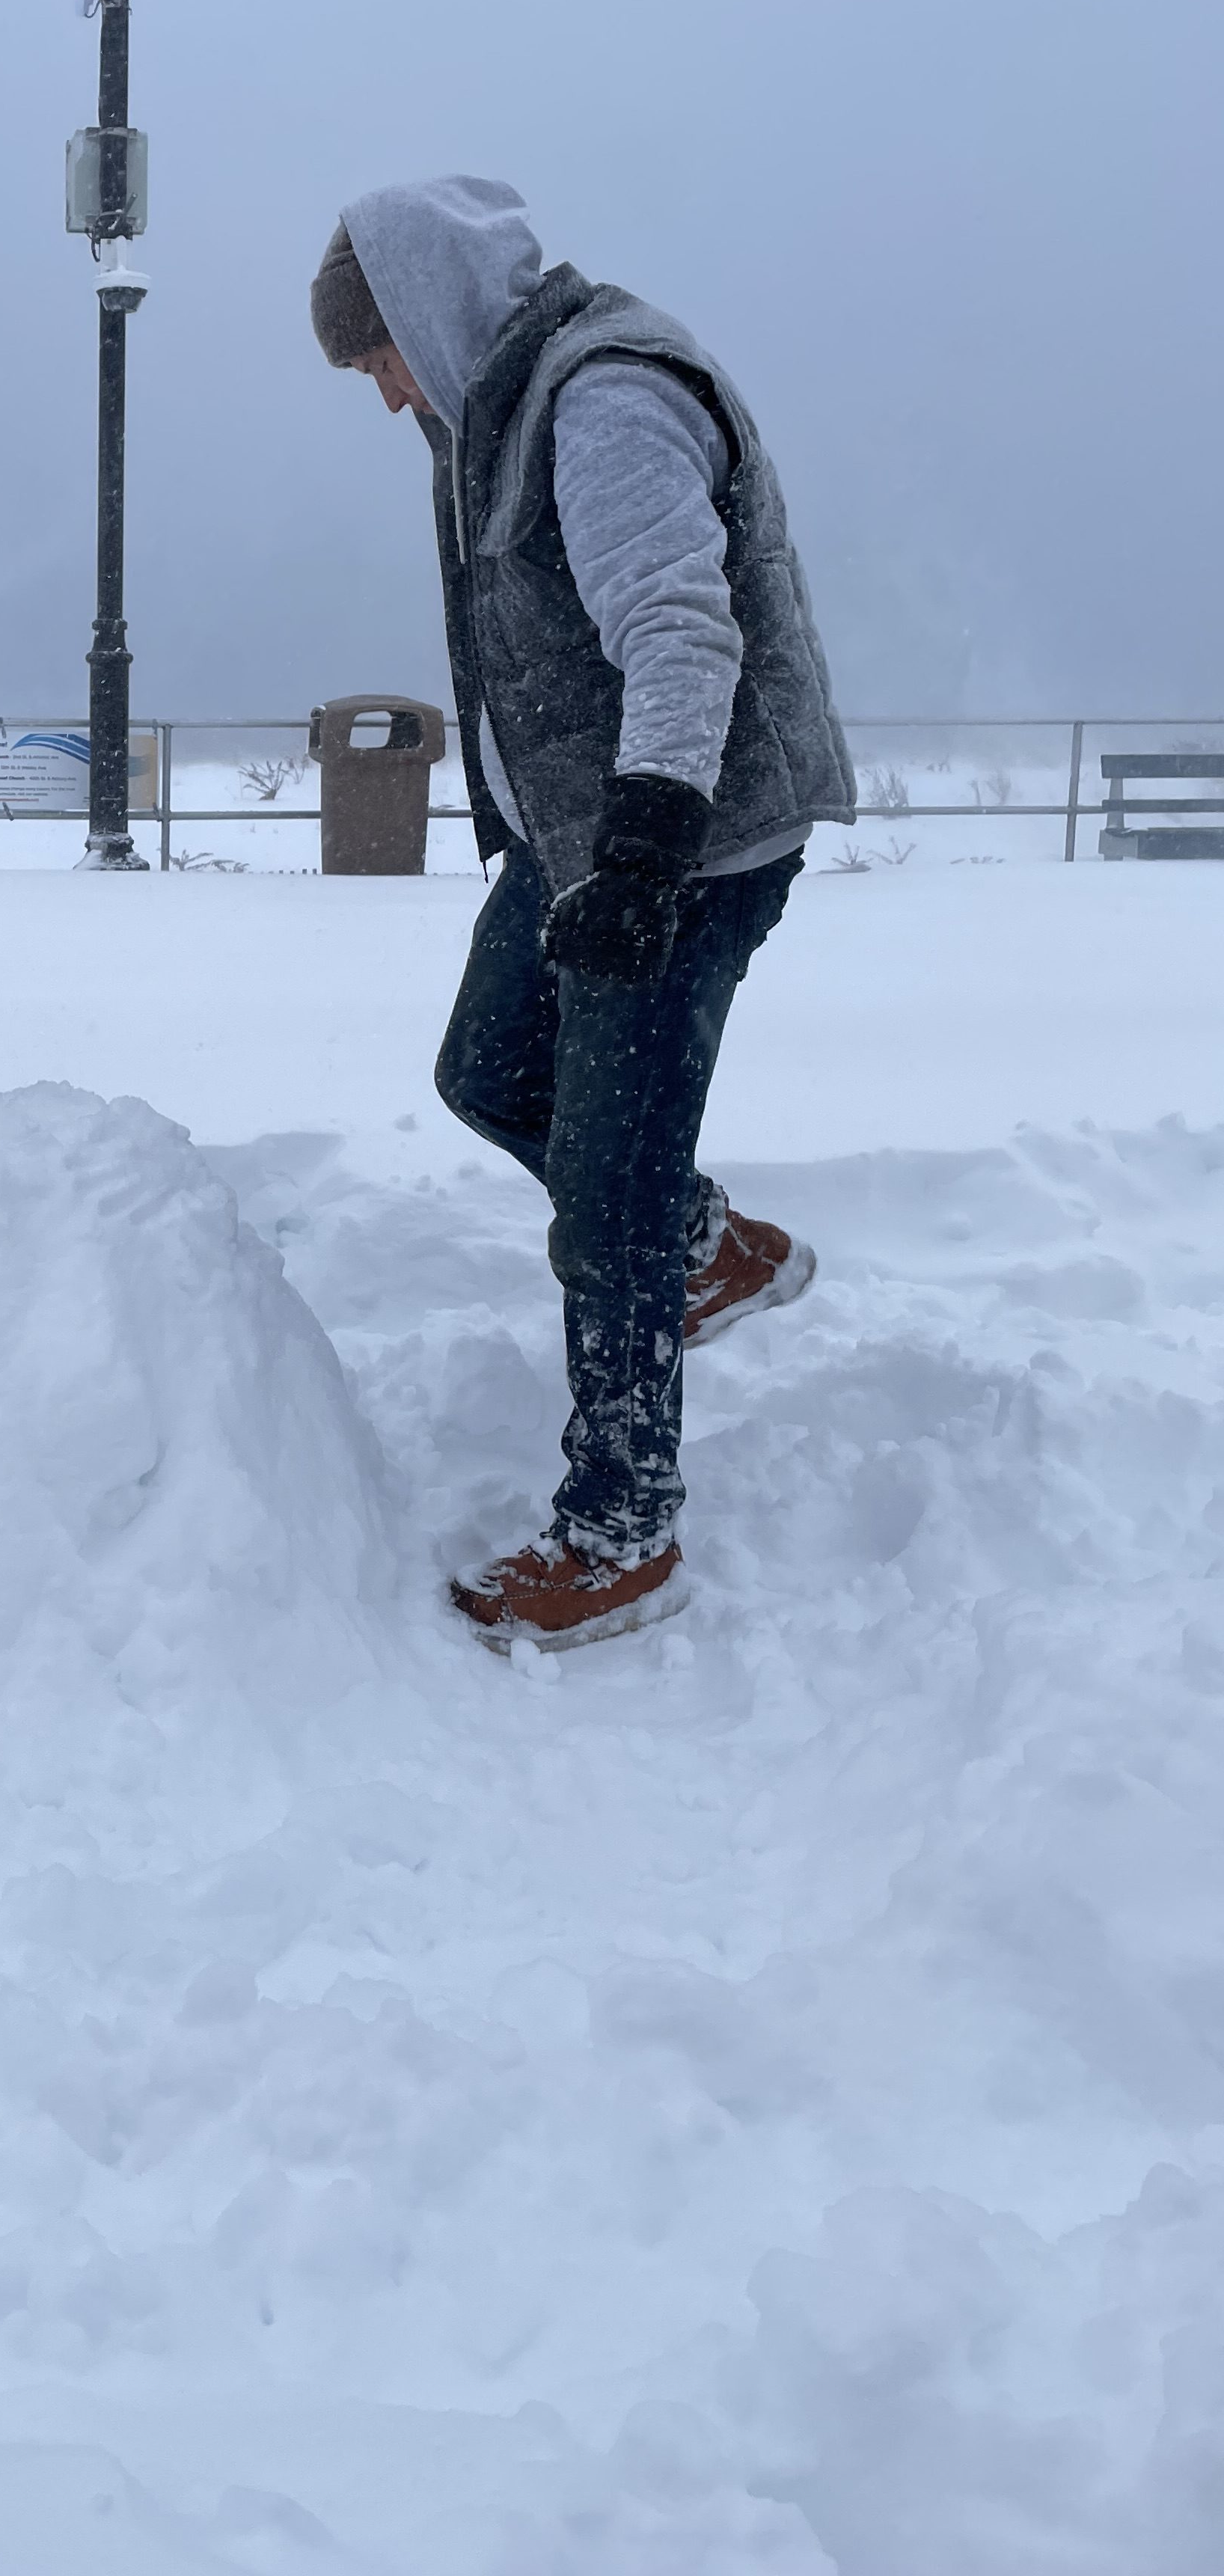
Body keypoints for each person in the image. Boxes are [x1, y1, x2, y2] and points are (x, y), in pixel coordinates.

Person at [311, 177, 854, 1650]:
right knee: (488, 1074)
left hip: (683, 843)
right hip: (581, 835)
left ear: (423, 321)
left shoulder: (602, 397)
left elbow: (681, 630)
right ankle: (704, 1244)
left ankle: (622, 1529)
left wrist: (643, 857)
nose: (384, 399)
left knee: (601, 1198)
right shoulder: (494, 411)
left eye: (379, 365)